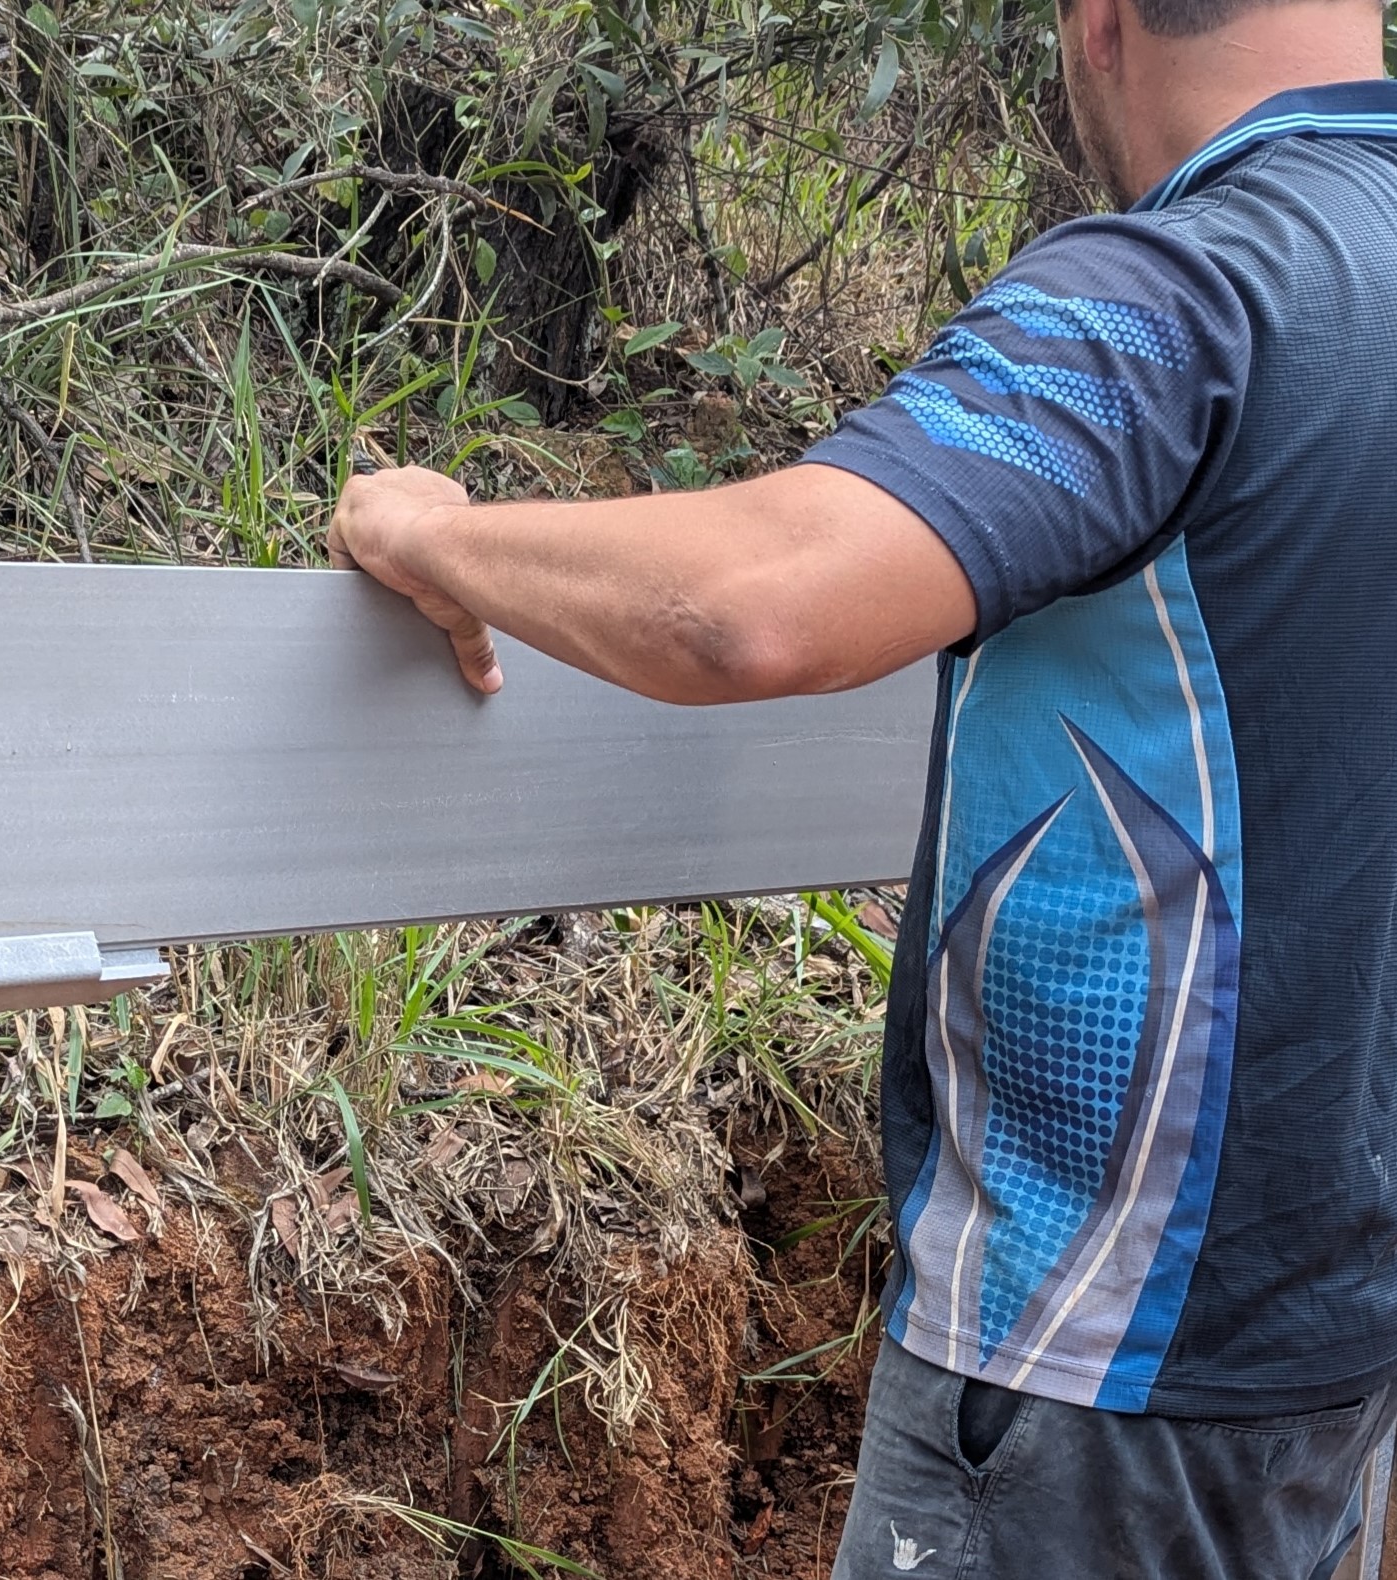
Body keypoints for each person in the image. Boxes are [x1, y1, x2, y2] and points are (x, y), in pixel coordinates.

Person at [327, 0, 1397, 1574]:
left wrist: (427, 532)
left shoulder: (1182, 293)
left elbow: (751, 608)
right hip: (1332, 1337)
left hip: (1095, 1350)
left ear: (1098, 23)